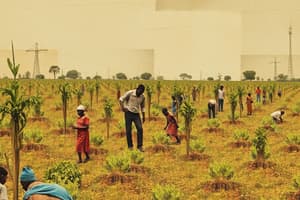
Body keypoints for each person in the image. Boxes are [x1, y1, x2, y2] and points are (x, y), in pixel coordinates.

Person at [119, 84, 146, 152]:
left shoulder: (142, 96)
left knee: (140, 129)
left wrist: (143, 116)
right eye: (139, 92)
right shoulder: (130, 93)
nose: (140, 93)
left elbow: (143, 106)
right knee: (128, 130)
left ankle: (140, 146)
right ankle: (130, 146)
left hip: (136, 114)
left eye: (142, 92)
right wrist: (123, 107)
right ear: (137, 89)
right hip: (128, 113)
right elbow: (121, 99)